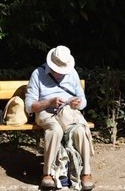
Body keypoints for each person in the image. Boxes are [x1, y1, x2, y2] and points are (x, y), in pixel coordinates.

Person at [25, 45, 95, 190]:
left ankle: (85, 174)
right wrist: (49, 102)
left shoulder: (72, 73)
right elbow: (29, 106)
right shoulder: (38, 74)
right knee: (55, 130)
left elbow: (83, 101)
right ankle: (48, 174)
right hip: (46, 113)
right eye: (57, 70)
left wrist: (78, 103)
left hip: (69, 113)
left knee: (80, 130)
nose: (59, 73)